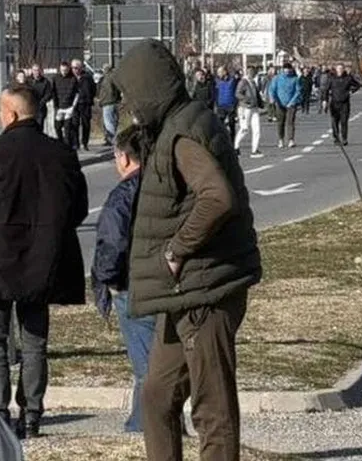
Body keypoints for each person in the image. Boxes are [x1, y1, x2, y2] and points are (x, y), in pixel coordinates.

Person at [109, 40, 261, 461]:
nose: (128, 105)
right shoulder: (175, 125)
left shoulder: (184, 133)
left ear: (150, 87)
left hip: (205, 292)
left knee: (212, 409)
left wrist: (176, 251)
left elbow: (217, 198)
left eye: (130, 94)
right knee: (156, 397)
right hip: (186, 294)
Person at [0, 86, 88, 439]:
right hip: (43, 260)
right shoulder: (61, 154)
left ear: (9, 114)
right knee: (35, 339)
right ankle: (32, 412)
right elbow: (78, 208)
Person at [92, 127, 156, 434]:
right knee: (162, 361)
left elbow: (113, 242)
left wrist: (108, 279)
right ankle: (152, 421)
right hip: (167, 281)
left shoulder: (123, 194)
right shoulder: (165, 187)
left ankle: (147, 426)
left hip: (133, 284)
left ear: (124, 157)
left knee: (146, 365)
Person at [267, 63, 303, 149]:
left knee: (290, 122)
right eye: (285, 69)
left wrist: (292, 102)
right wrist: (272, 98)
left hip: (291, 104)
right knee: (280, 122)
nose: (287, 71)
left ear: (291, 70)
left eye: (288, 69)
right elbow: (272, 89)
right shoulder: (277, 78)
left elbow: (298, 91)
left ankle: (291, 139)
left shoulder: (295, 79)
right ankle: (280, 139)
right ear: (283, 70)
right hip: (280, 103)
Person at [325, 63, 362, 146]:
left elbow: (358, 85)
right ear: (336, 69)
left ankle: (344, 138)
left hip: (344, 103)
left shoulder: (348, 78)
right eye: (338, 68)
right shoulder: (331, 78)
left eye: (341, 69)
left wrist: (351, 91)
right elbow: (326, 90)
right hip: (334, 103)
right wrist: (325, 100)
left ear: (343, 69)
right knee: (334, 121)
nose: (340, 70)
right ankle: (336, 138)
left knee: (344, 121)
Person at [234, 66, 265, 159]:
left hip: (254, 108)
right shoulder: (243, 82)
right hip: (245, 108)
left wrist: (261, 103)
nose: (252, 73)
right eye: (250, 72)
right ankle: (236, 146)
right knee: (245, 128)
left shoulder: (253, 82)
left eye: (253, 72)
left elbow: (256, 94)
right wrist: (246, 99)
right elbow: (238, 93)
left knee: (257, 129)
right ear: (247, 72)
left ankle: (254, 150)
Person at [51, 61, 80, 150]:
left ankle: (67, 148)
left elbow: (77, 94)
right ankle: (60, 142)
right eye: (62, 70)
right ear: (60, 69)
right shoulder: (55, 78)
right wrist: (55, 106)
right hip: (59, 107)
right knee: (57, 127)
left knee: (67, 129)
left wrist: (73, 107)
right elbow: (53, 92)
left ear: (68, 69)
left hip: (69, 108)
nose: (64, 72)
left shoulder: (73, 79)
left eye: (66, 70)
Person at [70, 59, 97, 151]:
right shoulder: (70, 77)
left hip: (85, 103)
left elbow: (93, 89)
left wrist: (89, 98)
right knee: (74, 124)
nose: (75, 70)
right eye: (73, 68)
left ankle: (85, 143)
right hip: (74, 104)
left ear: (81, 68)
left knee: (86, 124)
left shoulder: (87, 77)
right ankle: (75, 143)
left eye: (76, 68)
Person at [98, 66, 121, 147]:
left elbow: (108, 92)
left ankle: (113, 140)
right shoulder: (115, 77)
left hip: (108, 102)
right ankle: (111, 139)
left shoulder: (106, 79)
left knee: (108, 122)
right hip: (116, 102)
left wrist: (101, 101)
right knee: (114, 122)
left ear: (105, 70)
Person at [213, 67, 238, 137]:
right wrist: (216, 104)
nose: (218, 74)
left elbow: (236, 92)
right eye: (218, 73)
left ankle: (233, 142)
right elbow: (215, 93)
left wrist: (235, 104)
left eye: (219, 72)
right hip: (221, 106)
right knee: (220, 125)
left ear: (224, 72)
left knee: (231, 125)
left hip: (230, 106)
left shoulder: (233, 81)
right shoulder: (217, 81)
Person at [27, 64, 53, 132]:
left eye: (38, 70)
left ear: (40, 71)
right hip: (30, 109)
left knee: (39, 128)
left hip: (40, 109)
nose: (36, 72)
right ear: (32, 71)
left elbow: (49, 94)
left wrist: (41, 102)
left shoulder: (46, 82)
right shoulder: (28, 81)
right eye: (35, 70)